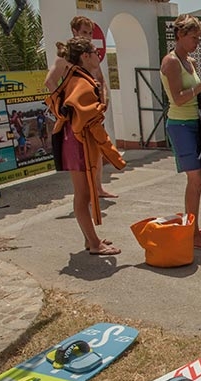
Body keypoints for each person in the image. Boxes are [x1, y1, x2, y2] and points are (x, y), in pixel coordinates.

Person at [45, 37, 126, 255]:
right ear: (85, 56)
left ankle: (90, 238)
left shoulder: (77, 78)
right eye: (94, 51)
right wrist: (111, 152)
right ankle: (93, 243)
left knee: (83, 194)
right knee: (83, 195)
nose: (98, 55)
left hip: (74, 139)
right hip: (79, 141)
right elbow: (86, 115)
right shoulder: (81, 81)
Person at [160, 14, 201, 251]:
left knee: (198, 180)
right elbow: (177, 98)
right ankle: (192, 232)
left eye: (199, 38)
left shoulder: (190, 61)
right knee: (196, 179)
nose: (197, 42)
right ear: (180, 35)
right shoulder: (171, 62)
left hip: (195, 124)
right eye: (194, 37)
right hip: (179, 125)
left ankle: (192, 225)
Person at [45, 16, 117, 199]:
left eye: (90, 32)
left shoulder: (91, 55)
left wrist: (105, 100)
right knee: (81, 155)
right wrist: (63, 104)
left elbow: (101, 80)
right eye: (84, 32)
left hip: (94, 111)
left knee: (97, 149)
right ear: (75, 32)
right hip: (78, 113)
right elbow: (50, 81)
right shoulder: (65, 57)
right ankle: (88, 193)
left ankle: (98, 188)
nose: (88, 36)